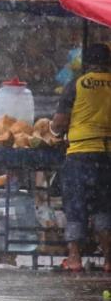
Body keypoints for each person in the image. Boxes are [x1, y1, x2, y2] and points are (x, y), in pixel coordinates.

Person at [51, 43, 111, 272]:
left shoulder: (77, 84)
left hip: (80, 155)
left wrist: (55, 132)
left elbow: (59, 122)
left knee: (75, 206)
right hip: (107, 156)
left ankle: (74, 258)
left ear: (86, 63)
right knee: (104, 208)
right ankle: (108, 260)